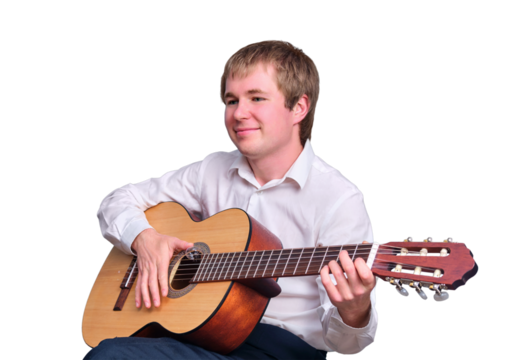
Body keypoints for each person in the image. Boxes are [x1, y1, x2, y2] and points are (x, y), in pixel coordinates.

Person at [85, 39, 377, 359]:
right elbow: (115, 200)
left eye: (257, 98)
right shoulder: (211, 170)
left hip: (282, 350)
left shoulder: (339, 198)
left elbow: (349, 346)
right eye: (231, 100)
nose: (239, 113)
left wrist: (355, 310)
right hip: (202, 334)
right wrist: (144, 238)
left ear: (299, 107)